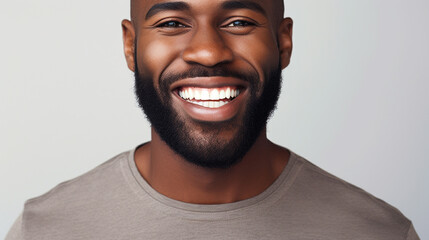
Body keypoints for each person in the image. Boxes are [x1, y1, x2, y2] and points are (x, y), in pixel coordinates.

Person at [6, 0, 420, 239]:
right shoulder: (47, 230)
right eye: (172, 23)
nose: (208, 52)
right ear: (131, 46)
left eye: (239, 22)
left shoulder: (376, 234)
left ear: (283, 42)